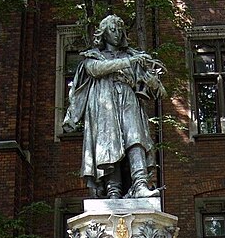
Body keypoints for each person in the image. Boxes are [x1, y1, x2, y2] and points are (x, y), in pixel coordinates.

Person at [63, 14, 166, 199]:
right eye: (113, 29)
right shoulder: (94, 56)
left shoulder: (133, 57)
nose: (117, 33)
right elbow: (96, 69)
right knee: (109, 144)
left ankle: (140, 184)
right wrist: (130, 62)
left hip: (128, 99)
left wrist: (152, 79)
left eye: (120, 29)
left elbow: (160, 93)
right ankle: (113, 191)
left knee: (136, 138)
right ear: (104, 33)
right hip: (104, 102)